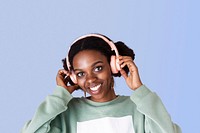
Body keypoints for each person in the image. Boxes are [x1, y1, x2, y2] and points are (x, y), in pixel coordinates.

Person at [21, 33, 181, 133]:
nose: (90, 79)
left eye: (98, 68)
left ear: (114, 66)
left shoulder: (140, 108)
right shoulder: (66, 113)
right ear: (74, 78)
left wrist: (140, 91)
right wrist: (59, 96)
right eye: (81, 73)